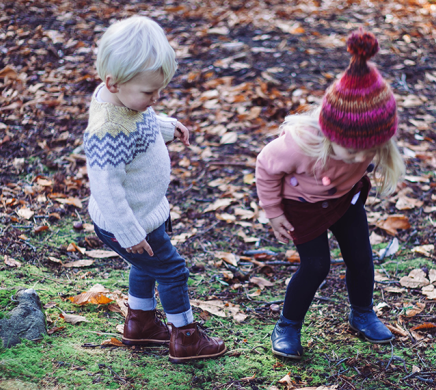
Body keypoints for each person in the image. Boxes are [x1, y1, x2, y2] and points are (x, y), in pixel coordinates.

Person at [255, 29, 405, 359]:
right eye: (348, 152)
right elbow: (265, 166)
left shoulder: (370, 139)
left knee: (362, 257)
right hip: (301, 205)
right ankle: (288, 324)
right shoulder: (299, 144)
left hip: (344, 200)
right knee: (316, 265)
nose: (356, 159)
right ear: (328, 131)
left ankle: (362, 313)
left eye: (365, 153)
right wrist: (274, 211)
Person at [85, 15, 225, 363]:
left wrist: (165, 126)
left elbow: (141, 121)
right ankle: (186, 337)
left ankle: (141, 322)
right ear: (113, 83)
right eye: (150, 92)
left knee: (146, 266)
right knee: (172, 270)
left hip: (145, 214)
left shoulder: (125, 100)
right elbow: (106, 187)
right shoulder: (106, 131)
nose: (155, 98)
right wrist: (128, 230)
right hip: (128, 221)